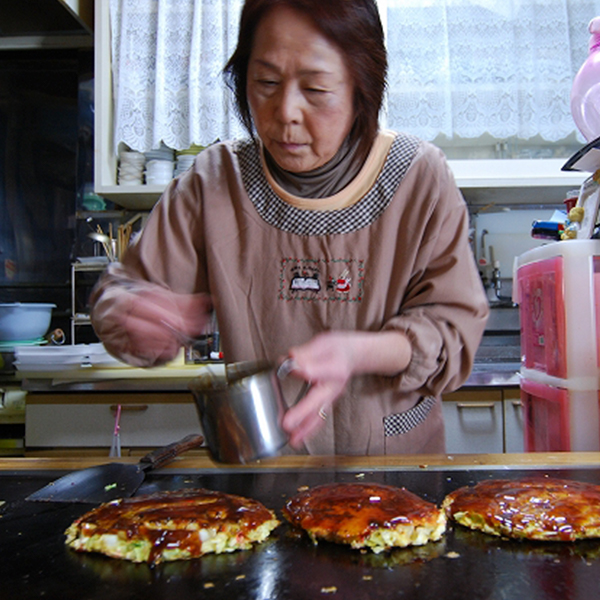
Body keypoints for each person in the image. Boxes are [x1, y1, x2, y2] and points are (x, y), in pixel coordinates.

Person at [90, 0, 489, 455]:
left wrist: (359, 353)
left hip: (396, 482)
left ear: (362, 86)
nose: (285, 112)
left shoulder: (418, 177)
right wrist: (133, 313)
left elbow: (453, 331)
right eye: (266, 83)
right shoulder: (214, 182)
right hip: (264, 475)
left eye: (316, 89)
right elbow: (122, 292)